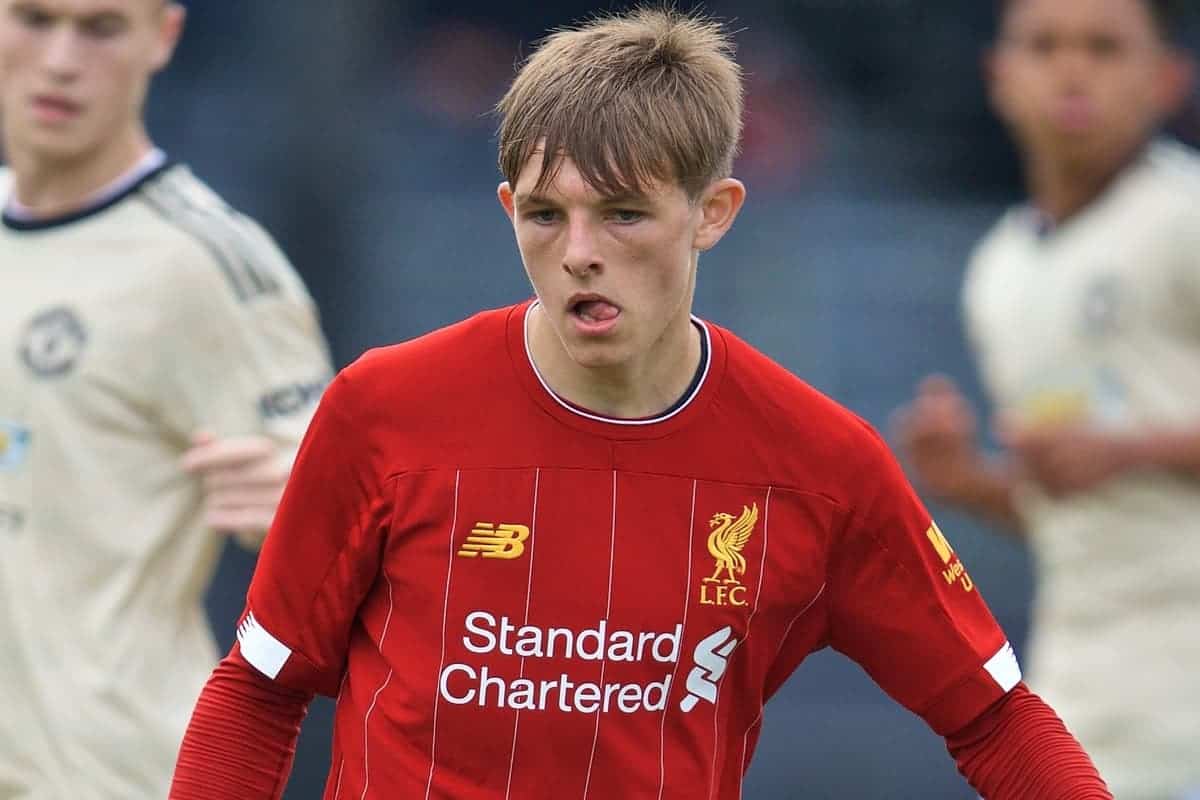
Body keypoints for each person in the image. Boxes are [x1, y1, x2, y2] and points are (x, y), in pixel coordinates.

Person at [170, 8, 1110, 799]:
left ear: (714, 210)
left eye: (622, 213)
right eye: (545, 215)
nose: (579, 250)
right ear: (508, 211)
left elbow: (995, 720)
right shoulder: (383, 409)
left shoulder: (822, 467)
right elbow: (258, 693)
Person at [0, 0, 332, 796]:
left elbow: (356, 528)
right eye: (34, 20)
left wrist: (306, 510)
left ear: (164, 36)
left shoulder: (208, 264)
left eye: (100, 28)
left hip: (106, 772)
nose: (60, 61)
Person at [895, 0, 1200, 797]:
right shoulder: (999, 272)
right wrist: (969, 483)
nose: (1071, 68)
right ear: (999, 76)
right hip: (1079, 692)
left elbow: (1121, 467)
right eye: (1044, 45)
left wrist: (1130, 449)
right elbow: (1076, 516)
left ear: (1168, 77)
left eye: (1103, 46)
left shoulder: (1185, 219)